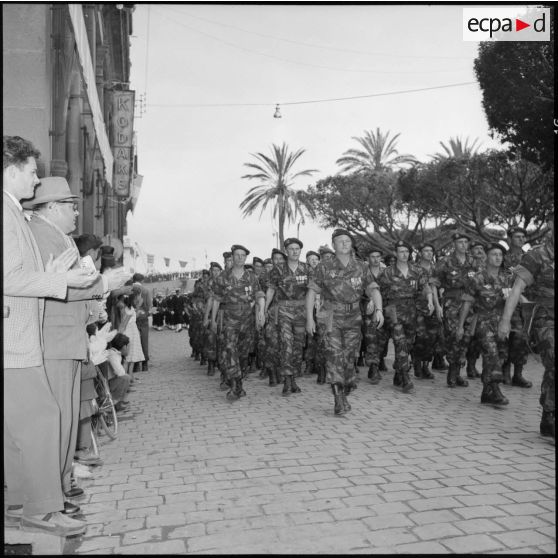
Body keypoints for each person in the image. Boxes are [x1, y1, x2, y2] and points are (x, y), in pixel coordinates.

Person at [3, 135, 96, 536]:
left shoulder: (12, 213)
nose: (35, 180)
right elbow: (9, 277)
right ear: (10, 169)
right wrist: (59, 279)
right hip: (15, 333)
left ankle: (18, 500)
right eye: (30, 171)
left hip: (19, 332)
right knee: (42, 417)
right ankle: (39, 511)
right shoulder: (7, 214)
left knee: (20, 424)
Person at [23, 177, 129, 508]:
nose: (75, 213)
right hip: (54, 337)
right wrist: (103, 282)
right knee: (56, 418)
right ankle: (51, 493)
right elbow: (59, 286)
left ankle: (61, 482)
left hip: (67, 336)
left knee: (67, 416)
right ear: (51, 207)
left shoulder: (57, 236)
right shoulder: (42, 236)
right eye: (70, 206)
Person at [306, 229, 383, 416]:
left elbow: (373, 289)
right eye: (340, 241)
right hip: (331, 316)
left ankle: (346, 385)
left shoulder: (361, 266)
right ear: (333, 245)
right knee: (334, 356)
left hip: (354, 316)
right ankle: (338, 397)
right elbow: (311, 292)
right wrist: (309, 317)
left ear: (351, 244)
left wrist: (379, 309)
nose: (344, 244)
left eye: (347, 241)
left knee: (349, 357)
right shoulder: (324, 266)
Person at [499, 213, 554, 437]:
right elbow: (517, 289)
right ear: (550, 225)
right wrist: (504, 320)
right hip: (544, 317)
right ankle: (550, 415)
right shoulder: (537, 255)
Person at [458, 244, 515, 405]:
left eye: (500, 255)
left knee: (501, 355)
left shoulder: (507, 278)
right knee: (492, 354)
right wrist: (461, 326)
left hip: (502, 323)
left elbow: (513, 299)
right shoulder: (477, 278)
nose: (498, 257)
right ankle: (496, 390)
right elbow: (467, 303)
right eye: (494, 254)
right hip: (483, 322)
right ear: (486, 257)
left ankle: (486, 391)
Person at [376, 240, 434, 394]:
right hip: (393, 310)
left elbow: (425, 286)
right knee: (399, 342)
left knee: (408, 343)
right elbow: (377, 291)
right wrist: (376, 307)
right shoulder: (387, 272)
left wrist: (429, 300)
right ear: (395, 253)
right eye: (401, 251)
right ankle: (405, 376)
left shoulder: (417, 270)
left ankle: (398, 373)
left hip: (411, 310)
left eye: (406, 251)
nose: (404, 254)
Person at [210, 244, 265, 399]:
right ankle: (235, 385)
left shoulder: (252, 277)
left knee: (243, 353)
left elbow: (259, 295)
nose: (240, 258)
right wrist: (213, 320)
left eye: (243, 255)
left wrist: (261, 311)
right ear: (232, 257)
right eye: (237, 255)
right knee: (229, 349)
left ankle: (239, 382)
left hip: (247, 319)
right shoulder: (223, 276)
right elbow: (216, 299)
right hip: (229, 318)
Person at [430, 232, 476, 388]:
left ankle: (456, 371)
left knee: (466, 338)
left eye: (465, 242)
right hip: (452, 303)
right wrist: (436, 305)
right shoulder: (445, 262)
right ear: (454, 244)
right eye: (460, 242)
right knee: (453, 336)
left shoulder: (475, 262)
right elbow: (434, 284)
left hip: (471, 304)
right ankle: (452, 371)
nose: (463, 245)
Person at [266, 238, 310, 395]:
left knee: (298, 346)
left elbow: (312, 291)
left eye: (297, 249)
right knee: (286, 343)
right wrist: (265, 309)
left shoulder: (307, 268)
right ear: (286, 251)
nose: (294, 251)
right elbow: (270, 290)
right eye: (291, 249)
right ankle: (287, 379)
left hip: (301, 312)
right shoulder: (277, 270)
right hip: (283, 310)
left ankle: (294, 379)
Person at [363, 248, 387, 384]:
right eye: (372, 256)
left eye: (378, 256)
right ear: (368, 258)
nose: (375, 259)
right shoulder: (363, 272)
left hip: (384, 309)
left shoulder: (386, 273)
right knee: (371, 338)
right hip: (368, 309)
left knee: (382, 339)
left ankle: (378, 361)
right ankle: (373, 367)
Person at [118, 291, 145, 379]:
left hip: (131, 330)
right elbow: (127, 321)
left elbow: (127, 321)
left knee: (130, 355)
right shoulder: (127, 309)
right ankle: (128, 376)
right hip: (131, 331)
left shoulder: (127, 309)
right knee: (130, 355)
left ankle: (129, 376)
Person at [105, 333, 133, 412]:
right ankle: (115, 402)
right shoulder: (113, 355)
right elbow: (120, 373)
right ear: (124, 347)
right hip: (107, 384)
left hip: (109, 381)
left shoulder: (114, 353)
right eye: (128, 346)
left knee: (126, 378)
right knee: (126, 378)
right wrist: (125, 364)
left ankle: (119, 401)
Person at [131, 273, 152, 372]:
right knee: (144, 340)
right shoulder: (146, 290)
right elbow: (148, 305)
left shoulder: (129, 289)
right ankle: (144, 363)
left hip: (131, 316)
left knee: (133, 340)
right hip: (142, 317)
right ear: (142, 280)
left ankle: (135, 364)